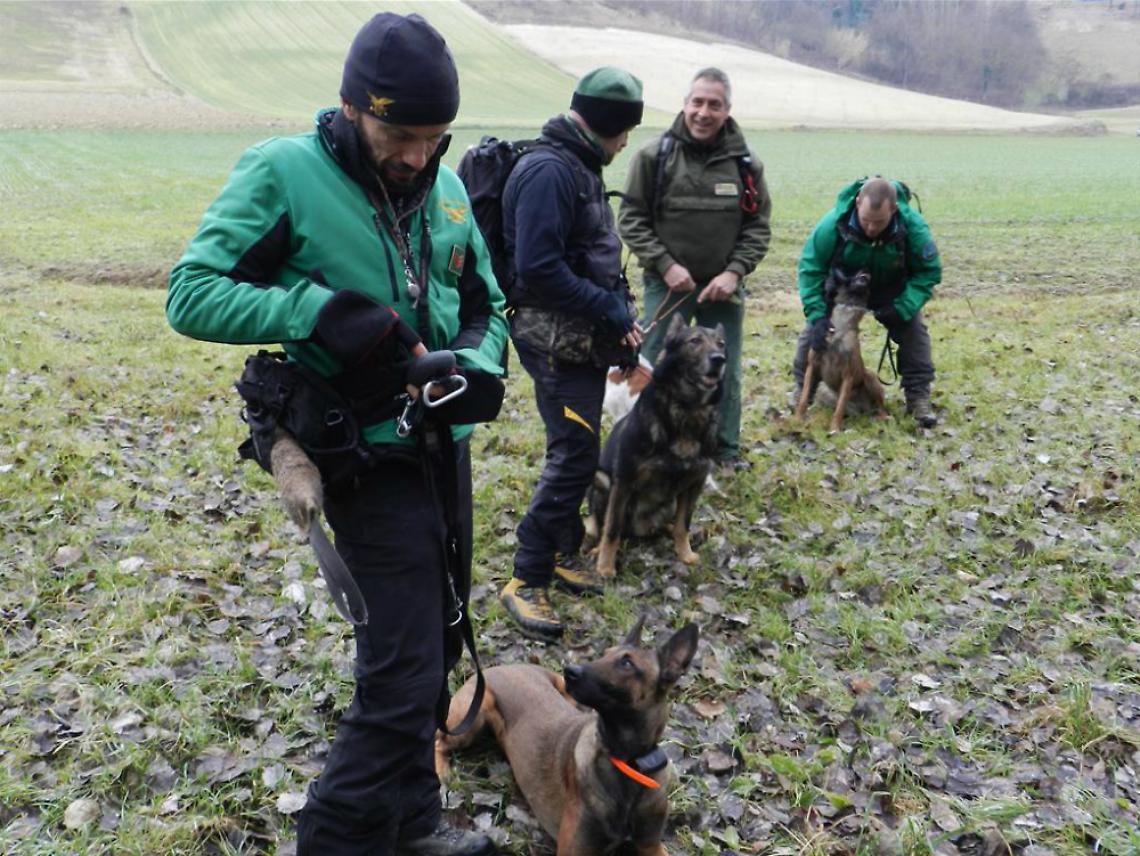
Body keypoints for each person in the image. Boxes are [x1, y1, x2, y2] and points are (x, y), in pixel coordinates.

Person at [166, 13, 507, 856]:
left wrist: (473, 365)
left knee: (434, 640)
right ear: (353, 107)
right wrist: (312, 310)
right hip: (362, 454)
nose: (417, 157)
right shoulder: (285, 172)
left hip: (441, 450)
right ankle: (331, 839)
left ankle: (412, 823)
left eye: (434, 138)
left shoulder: (448, 189)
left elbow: (486, 305)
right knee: (403, 672)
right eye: (399, 136)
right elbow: (191, 292)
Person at [498, 67, 645, 640]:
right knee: (575, 455)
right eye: (624, 130)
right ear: (606, 123)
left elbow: (592, 256)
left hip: (579, 340)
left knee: (576, 448)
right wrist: (605, 307)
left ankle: (561, 551)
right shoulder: (550, 172)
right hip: (552, 343)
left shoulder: (580, 164)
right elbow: (538, 268)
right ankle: (526, 576)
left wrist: (620, 314)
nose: (626, 143)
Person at [618, 67, 771, 467]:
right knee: (650, 363)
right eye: (697, 102)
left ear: (727, 110)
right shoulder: (654, 156)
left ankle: (723, 452)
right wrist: (666, 264)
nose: (704, 112)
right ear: (685, 104)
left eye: (714, 105)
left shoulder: (745, 164)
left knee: (724, 370)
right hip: (667, 286)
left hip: (723, 288)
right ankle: (638, 440)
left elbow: (758, 228)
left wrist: (734, 272)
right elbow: (631, 219)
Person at [794, 176, 941, 428]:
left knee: (914, 332)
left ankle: (918, 398)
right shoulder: (832, 224)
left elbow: (929, 272)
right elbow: (811, 269)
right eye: (865, 221)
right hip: (845, 287)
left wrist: (902, 307)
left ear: (893, 210)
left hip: (892, 288)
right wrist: (818, 315)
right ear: (857, 203)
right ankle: (801, 392)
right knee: (814, 334)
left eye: (880, 222)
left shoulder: (913, 228)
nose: (871, 228)